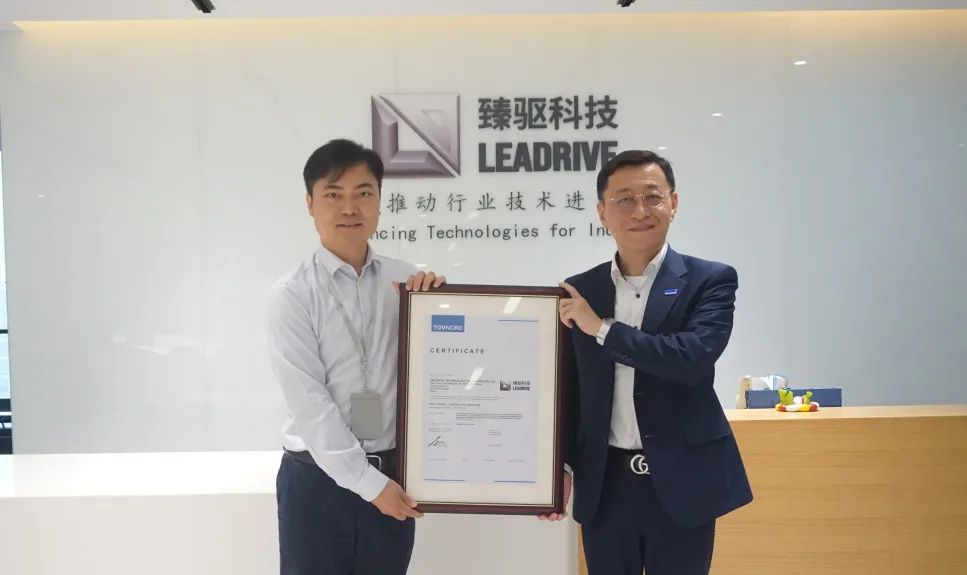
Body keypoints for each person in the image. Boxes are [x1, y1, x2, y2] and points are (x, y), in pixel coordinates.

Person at [543, 150, 753, 575]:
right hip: (605, 484)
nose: (640, 211)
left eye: (652, 197)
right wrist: (557, 467)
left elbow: (690, 359)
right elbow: (569, 390)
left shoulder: (710, 280)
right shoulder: (580, 291)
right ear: (602, 213)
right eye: (624, 199)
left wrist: (601, 329)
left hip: (682, 481)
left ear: (673, 203)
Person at [268, 139, 444, 575]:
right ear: (310, 204)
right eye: (333, 194)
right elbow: (309, 403)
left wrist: (441, 308)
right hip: (317, 483)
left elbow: (441, 375)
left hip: (393, 474)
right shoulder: (293, 294)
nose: (350, 207)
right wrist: (369, 485)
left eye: (364, 193)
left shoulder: (410, 284)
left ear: (380, 203)